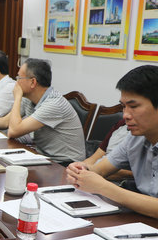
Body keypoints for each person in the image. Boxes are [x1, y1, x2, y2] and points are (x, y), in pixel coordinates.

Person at [67, 65, 158, 219]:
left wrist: (104, 187)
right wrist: (82, 170)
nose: (125, 115)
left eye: (134, 106)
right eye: (123, 107)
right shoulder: (134, 138)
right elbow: (100, 170)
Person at [0, 58, 85, 164]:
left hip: (65, 164)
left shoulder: (53, 104)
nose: (16, 83)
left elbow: (13, 131)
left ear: (33, 82)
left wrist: (17, 97)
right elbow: (6, 121)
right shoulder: (29, 98)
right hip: (43, 156)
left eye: (19, 78)